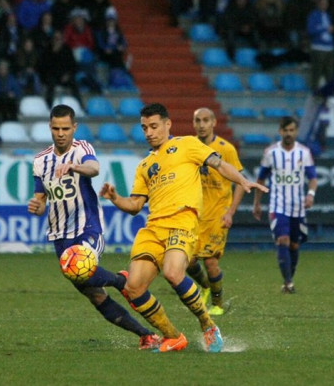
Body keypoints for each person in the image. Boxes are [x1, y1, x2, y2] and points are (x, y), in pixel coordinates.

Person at [99, 103, 267, 353]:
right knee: (133, 288)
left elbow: (219, 165)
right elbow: (135, 205)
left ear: (168, 124)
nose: (149, 132)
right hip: (153, 228)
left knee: (173, 272)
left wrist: (242, 180)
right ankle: (173, 336)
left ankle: (207, 324)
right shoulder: (144, 165)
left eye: (154, 126)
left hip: (183, 221)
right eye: (144, 128)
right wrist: (114, 198)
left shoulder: (188, 144)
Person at [27, 104, 161, 350]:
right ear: (50, 128)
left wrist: (73, 167)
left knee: (83, 269)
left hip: (87, 227)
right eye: (56, 128)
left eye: (65, 128)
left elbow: (94, 168)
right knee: (95, 295)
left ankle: (122, 282)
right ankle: (145, 335)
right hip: (59, 235)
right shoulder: (40, 161)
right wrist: (37, 206)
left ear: (74, 128)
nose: (60, 133)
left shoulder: (82, 149)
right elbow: (42, 198)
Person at [187, 108, 245, 316]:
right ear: (193, 124)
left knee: (211, 262)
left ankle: (218, 304)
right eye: (197, 121)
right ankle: (205, 286)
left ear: (213, 123)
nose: (201, 124)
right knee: (187, 261)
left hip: (217, 215)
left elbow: (239, 182)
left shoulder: (226, 149)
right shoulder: (190, 147)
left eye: (205, 120)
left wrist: (230, 212)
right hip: (194, 216)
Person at [252, 116, 317, 293]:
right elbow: (261, 179)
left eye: (291, 130)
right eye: (285, 130)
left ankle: (288, 279)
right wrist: (257, 204)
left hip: (297, 207)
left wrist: (310, 194)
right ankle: (288, 282)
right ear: (280, 131)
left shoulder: (303, 152)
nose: (288, 134)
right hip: (277, 206)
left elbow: (312, 178)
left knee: (294, 246)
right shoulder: (271, 153)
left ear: (295, 132)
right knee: (283, 240)